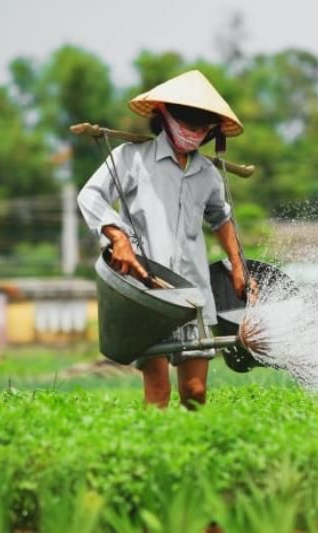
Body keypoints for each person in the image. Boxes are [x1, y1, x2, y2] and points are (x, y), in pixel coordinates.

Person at [77, 70, 249, 409]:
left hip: (192, 294)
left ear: (211, 130)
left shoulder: (207, 173)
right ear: (165, 116)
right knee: (158, 394)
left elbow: (221, 216)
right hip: (147, 293)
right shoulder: (132, 158)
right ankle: (154, 451)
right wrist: (117, 237)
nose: (194, 132)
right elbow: (91, 196)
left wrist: (238, 266)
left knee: (196, 393)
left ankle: (192, 452)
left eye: (203, 127)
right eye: (188, 122)